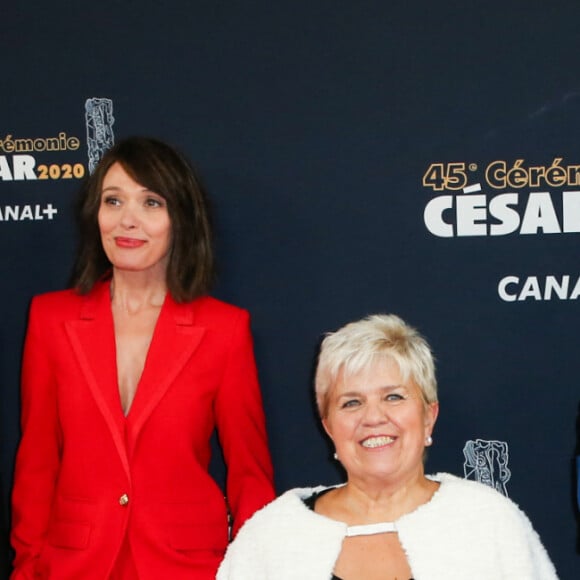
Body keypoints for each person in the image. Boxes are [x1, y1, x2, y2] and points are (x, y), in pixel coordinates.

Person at [10, 137, 275, 579]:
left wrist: (252, 569)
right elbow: (36, 463)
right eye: (113, 201)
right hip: (74, 565)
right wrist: (29, 567)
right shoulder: (50, 318)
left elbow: (250, 475)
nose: (127, 220)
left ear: (179, 219)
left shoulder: (224, 330)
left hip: (188, 566)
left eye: (151, 202)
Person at [217, 314, 558, 579]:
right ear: (328, 425)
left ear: (429, 415)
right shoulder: (273, 535)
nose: (373, 417)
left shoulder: (490, 522)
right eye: (351, 403)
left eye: (393, 396)